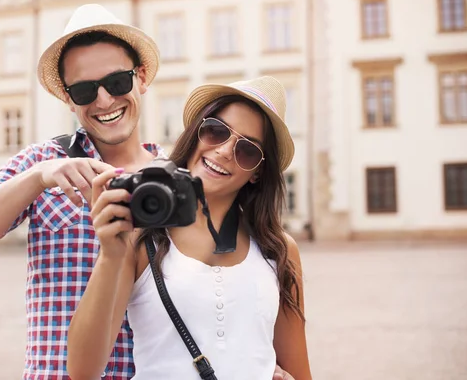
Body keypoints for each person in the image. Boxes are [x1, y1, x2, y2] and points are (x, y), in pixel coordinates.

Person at [0, 4, 162, 379]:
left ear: (141, 78)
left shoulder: (178, 177)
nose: (104, 100)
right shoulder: (43, 162)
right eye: (85, 90)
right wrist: (38, 176)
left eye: (117, 82)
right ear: (68, 99)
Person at [66, 76, 313, 380]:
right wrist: (109, 257)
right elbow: (81, 371)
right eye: (216, 131)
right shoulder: (141, 238)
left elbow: (300, 373)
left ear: (257, 172)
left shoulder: (279, 250)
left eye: (247, 149)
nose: (224, 150)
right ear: (196, 133)